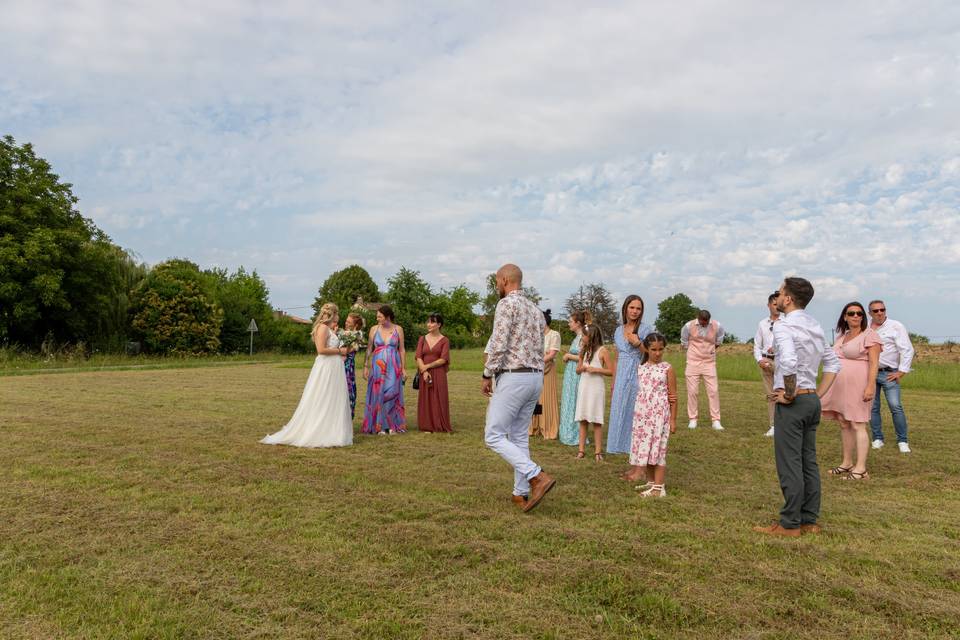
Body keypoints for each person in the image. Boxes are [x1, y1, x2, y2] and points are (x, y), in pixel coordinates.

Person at [753, 277, 840, 537]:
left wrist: (790, 394)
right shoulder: (814, 325)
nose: (777, 297)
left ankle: (789, 523)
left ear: (788, 298)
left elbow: (789, 361)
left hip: (794, 401)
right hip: (811, 399)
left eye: (780, 293)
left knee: (790, 463)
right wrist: (814, 393)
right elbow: (833, 363)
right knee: (808, 462)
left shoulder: (783, 325)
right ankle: (809, 520)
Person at [481, 263, 556, 513]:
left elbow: (499, 344)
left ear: (504, 280)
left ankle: (537, 476)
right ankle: (520, 492)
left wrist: (486, 373)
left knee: (493, 435)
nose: (496, 286)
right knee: (519, 436)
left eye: (496, 281)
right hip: (535, 378)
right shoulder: (535, 310)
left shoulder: (506, 305)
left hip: (514, 377)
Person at [261, 303, 353, 448]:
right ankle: (320, 431)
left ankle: (332, 430)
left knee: (333, 397)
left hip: (334, 367)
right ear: (332, 314)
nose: (338, 316)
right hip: (326, 367)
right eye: (337, 313)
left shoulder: (329, 328)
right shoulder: (322, 328)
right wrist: (339, 351)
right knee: (323, 397)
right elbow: (321, 350)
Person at [820, 302, 881, 480]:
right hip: (840, 386)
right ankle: (847, 463)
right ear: (845, 316)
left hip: (859, 385)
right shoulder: (843, 335)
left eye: (859, 313)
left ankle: (861, 468)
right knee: (844, 422)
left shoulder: (870, 335)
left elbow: (874, 363)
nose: (856, 316)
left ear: (863, 316)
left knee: (858, 424)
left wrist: (870, 386)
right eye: (851, 313)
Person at [628, 333, 678, 497]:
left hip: (659, 416)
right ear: (647, 349)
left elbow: (673, 396)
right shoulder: (641, 368)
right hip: (643, 416)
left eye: (661, 349)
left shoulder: (667, 368)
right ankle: (651, 482)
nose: (657, 353)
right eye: (653, 349)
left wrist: (673, 419)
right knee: (646, 448)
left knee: (658, 450)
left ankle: (659, 487)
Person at [607, 295, 653, 457]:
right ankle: (616, 444)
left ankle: (633, 445)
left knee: (635, 410)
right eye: (632, 307)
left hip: (638, 372)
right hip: (621, 374)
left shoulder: (646, 329)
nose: (635, 311)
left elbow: (652, 355)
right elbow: (618, 357)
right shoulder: (618, 330)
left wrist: (638, 343)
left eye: (638, 308)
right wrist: (613, 381)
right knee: (619, 407)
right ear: (625, 308)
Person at [867, 301, 915, 453]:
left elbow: (907, 349)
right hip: (869, 373)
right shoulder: (865, 328)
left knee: (895, 406)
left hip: (889, 373)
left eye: (882, 309)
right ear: (870, 313)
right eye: (875, 311)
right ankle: (877, 438)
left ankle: (902, 441)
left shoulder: (896, 326)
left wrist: (901, 371)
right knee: (873, 408)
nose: (879, 313)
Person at [362, 305, 407, 434]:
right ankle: (379, 425)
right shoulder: (374, 329)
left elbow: (402, 349)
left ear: (387, 317)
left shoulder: (398, 329)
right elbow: (369, 348)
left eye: (379, 316)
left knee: (392, 392)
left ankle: (392, 424)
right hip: (377, 365)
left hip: (394, 365)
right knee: (378, 393)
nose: (377, 318)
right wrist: (366, 366)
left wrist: (403, 368)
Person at [574, 324, 613, 462]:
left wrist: (596, 370)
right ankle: (581, 450)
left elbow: (611, 371)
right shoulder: (583, 351)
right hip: (584, 386)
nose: (582, 337)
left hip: (596, 388)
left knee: (596, 420)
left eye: (584, 335)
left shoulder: (603, 351)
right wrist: (582, 368)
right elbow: (577, 370)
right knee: (583, 419)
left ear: (591, 336)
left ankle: (597, 451)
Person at [681, 310, 725, 430]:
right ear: (698, 318)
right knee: (692, 391)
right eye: (702, 322)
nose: (704, 324)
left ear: (709, 319)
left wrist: (709, 351)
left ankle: (716, 420)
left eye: (706, 322)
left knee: (713, 391)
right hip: (692, 362)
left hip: (709, 362)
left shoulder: (717, 326)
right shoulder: (688, 326)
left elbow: (719, 340)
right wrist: (694, 352)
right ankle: (693, 419)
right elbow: (684, 342)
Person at [559, 310, 591, 446]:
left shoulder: (583, 336)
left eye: (570, 321)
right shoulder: (576, 337)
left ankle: (574, 434)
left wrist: (568, 356)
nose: (568, 324)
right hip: (570, 372)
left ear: (578, 323)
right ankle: (566, 431)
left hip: (577, 373)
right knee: (568, 399)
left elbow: (585, 356)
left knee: (574, 400)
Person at [415, 312, 451, 433]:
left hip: (439, 373)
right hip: (424, 373)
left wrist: (427, 367)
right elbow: (418, 357)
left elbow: (443, 359)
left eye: (432, 322)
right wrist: (424, 371)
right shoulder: (422, 339)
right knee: (426, 398)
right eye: (428, 322)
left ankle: (439, 424)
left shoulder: (445, 340)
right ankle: (427, 425)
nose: (429, 324)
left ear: (439, 324)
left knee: (439, 398)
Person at [529, 309, 561, 439]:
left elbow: (552, 354)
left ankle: (547, 427)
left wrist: (539, 361)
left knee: (545, 398)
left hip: (547, 370)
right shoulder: (535, 335)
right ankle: (535, 426)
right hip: (534, 371)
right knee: (535, 399)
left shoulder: (554, 335)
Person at [754, 292, 781, 437]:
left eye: (779, 304)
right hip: (767, 360)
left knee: (783, 394)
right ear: (769, 305)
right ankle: (773, 425)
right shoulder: (762, 323)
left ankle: (786, 425)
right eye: (774, 304)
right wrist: (760, 360)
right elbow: (757, 345)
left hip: (782, 361)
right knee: (771, 395)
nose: (777, 307)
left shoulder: (787, 321)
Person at [340, 312, 366, 420]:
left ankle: (347, 417)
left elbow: (348, 350)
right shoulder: (343, 333)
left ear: (355, 325)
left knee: (348, 389)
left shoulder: (357, 335)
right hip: (338, 363)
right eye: (346, 321)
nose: (346, 323)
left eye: (349, 322)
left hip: (348, 365)